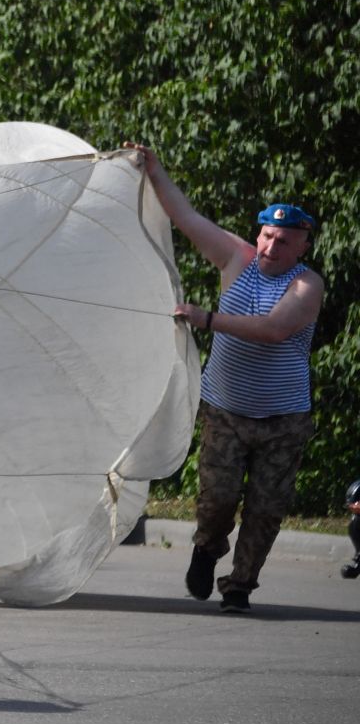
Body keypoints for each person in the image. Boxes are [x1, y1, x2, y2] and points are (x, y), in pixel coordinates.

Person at [128, 145, 325, 613]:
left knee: (265, 508)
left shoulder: (306, 285)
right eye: (266, 236)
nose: (271, 248)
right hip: (227, 409)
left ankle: (239, 585)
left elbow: (276, 330)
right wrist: (155, 169)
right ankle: (207, 546)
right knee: (216, 499)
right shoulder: (237, 260)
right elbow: (187, 217)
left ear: (302, 246)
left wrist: (207, 319)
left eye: (283, 241)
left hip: (283, 418)